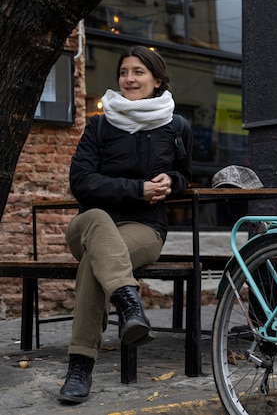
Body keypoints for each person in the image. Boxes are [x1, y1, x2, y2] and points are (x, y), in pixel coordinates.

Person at [58, 46, 193, 403]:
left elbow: (185, 174)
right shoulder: (100, 124)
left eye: (138, 72)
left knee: (96, 262)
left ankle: (80, 365)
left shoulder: (176, 125)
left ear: (157, 80)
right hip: (88, 225)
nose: (129, 79)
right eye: (123, 72)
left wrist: (171, 182)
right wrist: (138, 188)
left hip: (143, 228)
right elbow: (81, 181)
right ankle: (128, 301)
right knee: (99, 222)